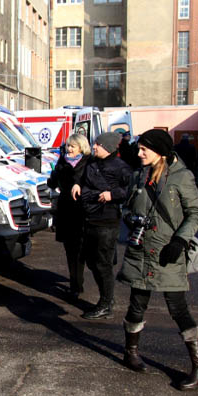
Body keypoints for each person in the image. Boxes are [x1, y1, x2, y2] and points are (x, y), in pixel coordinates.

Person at [115, 129, 198, 389]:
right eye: (139, 148)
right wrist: (129, 218)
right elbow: (126, 205)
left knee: (178, 309)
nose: (139, 152)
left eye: (145, 149)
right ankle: (131, 353)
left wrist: (180, 241)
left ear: (160, 152)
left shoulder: (181, 177)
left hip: (168, 251)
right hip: (140, 250)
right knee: (136, 305)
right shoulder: (138, 175)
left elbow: (196, 213)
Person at [72, 132, 132, 319]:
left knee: (102, 263)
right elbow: (79, 175)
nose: (94, 146)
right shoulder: (91, 162)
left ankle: (105, 303)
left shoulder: (121, 167)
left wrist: (112, 195)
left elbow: (130, 190)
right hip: (89, 218)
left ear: (108, 147)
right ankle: (107, 296)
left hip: (107, 221)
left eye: (98, 144)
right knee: (92, 261)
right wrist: (76, 184)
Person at [47, 133, 89, 295]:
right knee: (70, 249)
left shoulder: (88, 162)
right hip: (65, 209)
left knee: (82, 249)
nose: (69, 149)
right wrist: (54, 175)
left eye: (72, 146)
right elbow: (53, 182)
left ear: (81, 147)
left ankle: (78, 280)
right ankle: (75, 283)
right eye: (67, 146)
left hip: (83, 210)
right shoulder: (62, 161)